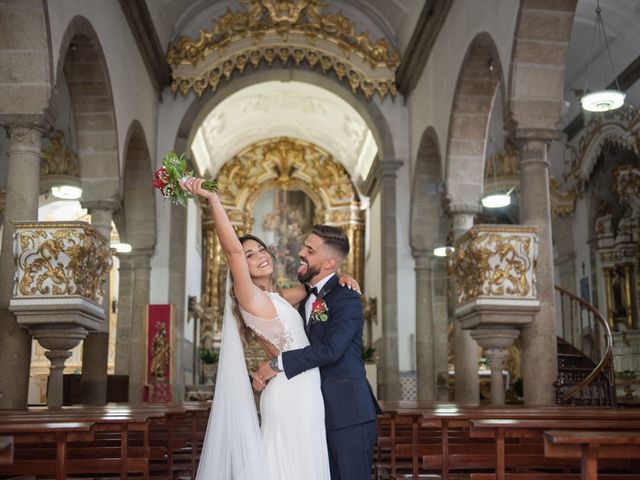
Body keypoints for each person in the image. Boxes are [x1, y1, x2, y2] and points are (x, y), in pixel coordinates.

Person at [179, 177, 359, 480]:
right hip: (290, 391)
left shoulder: (282, 296)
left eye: (261, 249)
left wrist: (344, 276)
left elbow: (318, 287)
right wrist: (212, 199)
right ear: (240, 268)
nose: (259, 256)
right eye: (249, 255)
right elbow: (233, 251)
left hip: (307, 390)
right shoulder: (249, 297)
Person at [255, 224, 382, 480]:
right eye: (304, 246)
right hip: (314, 411)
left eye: (309, 250)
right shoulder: (305, 298)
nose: (300, 252)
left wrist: (277, 364)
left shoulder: (345, 297)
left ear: (329, 262)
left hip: (348, 414)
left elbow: (331, 350)